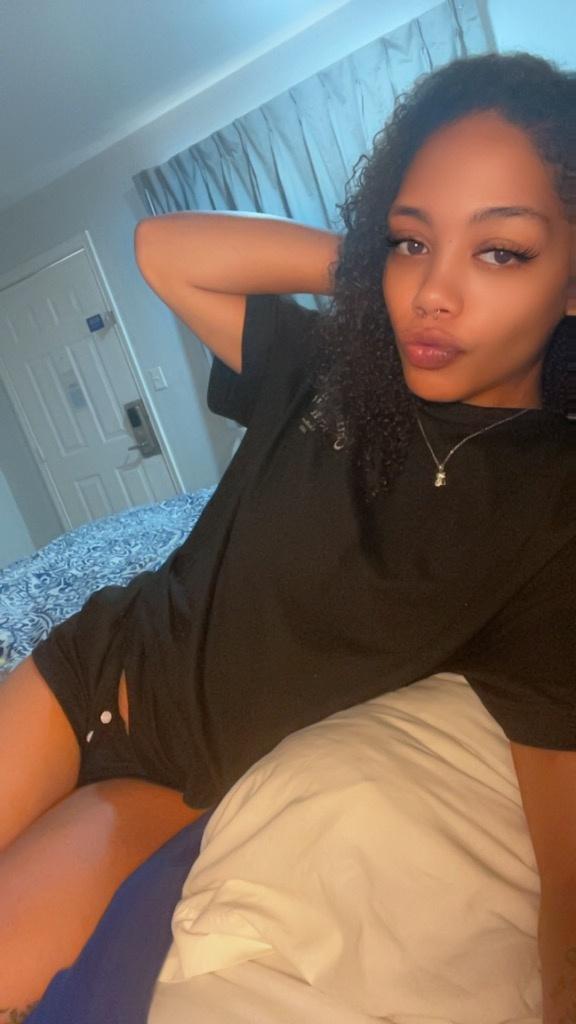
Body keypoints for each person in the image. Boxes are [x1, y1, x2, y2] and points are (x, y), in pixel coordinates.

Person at [0, 50, 575, 1023]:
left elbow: (558, 791)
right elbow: (164, 250)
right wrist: (363, 269)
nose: (433, 293)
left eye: (500, 252)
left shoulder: (553, 504)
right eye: (410, 241)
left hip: (179, 778)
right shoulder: (333, 366)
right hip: (89, 666)